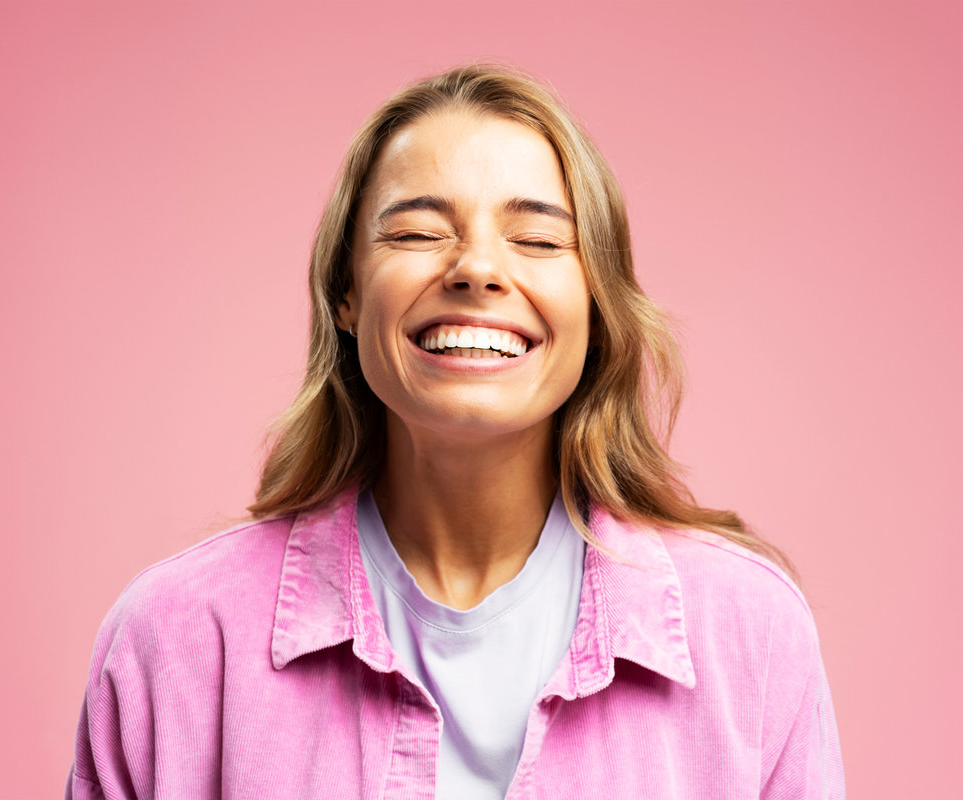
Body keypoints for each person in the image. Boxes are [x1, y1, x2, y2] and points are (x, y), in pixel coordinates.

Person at [66, 65, 844, 800]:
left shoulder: (751, 635)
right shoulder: (175, 638)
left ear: (596, 303)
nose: (477, 268)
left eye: (537, 240)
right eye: (416, 233)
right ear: (345, 294)